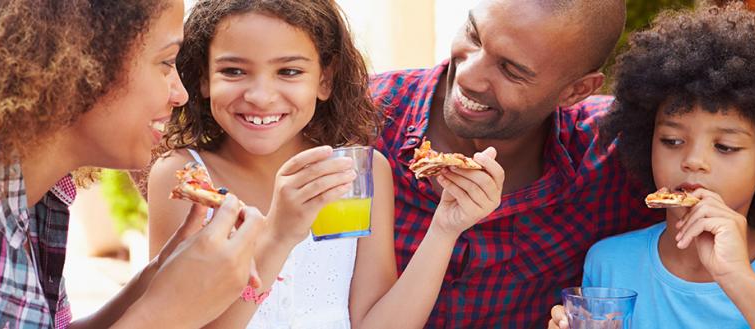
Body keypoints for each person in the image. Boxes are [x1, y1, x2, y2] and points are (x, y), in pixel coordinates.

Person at [368, 0, 755, 327]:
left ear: (577, 90)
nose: (468, 75)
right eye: (473, 34)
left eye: (512, 69)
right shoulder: (362, 120)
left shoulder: (608, 149)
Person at [147, 1, 504, 328]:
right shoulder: (186, 180)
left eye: (288, 71)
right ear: (203, 79)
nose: (260, 96)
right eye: (234, 71)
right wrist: (278, 237)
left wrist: (444, 230)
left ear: (325, 79)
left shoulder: (355, 173)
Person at [0, 1, 264, 328]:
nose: (181, 94)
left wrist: (156, 279)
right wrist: (166, 313)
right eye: (166, 63)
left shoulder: (35, 198)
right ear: (81, 65)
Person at [547, 4, 755, 328]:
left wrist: (736, 277)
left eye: (725, 147)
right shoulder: (609, 262)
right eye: (671, 141)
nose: (693, 161)